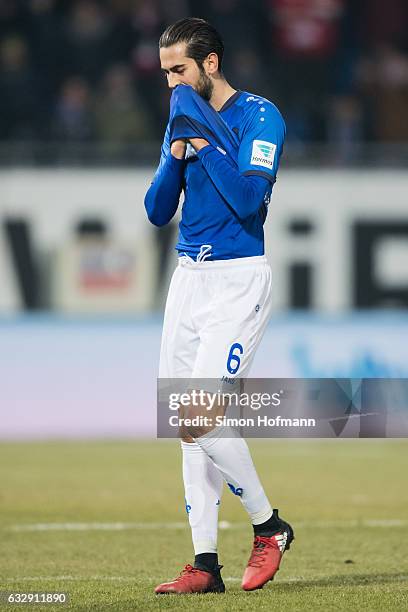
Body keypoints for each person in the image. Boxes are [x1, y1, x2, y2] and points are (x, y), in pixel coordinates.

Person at [144, 17, 294, 594]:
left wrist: (203, 145)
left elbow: (249, 200)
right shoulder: (182, 116)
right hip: (188, 281)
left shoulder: (261, 116)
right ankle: (205, 565)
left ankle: (270, 526)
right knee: (186, 428)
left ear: (210, 64)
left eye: (179, 70)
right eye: (165, 74)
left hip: (237, 282)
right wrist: (174, 155)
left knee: (199, 415)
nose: (171, 84)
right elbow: (159, 211)